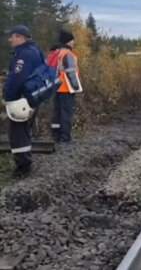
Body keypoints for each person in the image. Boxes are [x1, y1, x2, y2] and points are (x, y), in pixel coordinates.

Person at [3, 25, 44, 177]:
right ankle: (24, 164)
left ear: (20, 37)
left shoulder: (24, 55)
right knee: (24, 132)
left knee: (17, 133)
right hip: (32, 97)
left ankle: (23, 168)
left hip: (21, 100)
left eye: (12, 36)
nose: (10, 39)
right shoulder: (34, 52)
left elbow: (17, 79)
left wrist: (7, 96)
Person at [52, 30, 82, 143]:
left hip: (56, 86)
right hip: (66, 87)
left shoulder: (57, 52)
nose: (73, 42)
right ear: (68, 41)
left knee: (57, 112)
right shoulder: (68, 54)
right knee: (66, 112)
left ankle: (56, 135)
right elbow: (70, 71)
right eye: (72, 40)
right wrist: (75, 86)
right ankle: (65, 138)